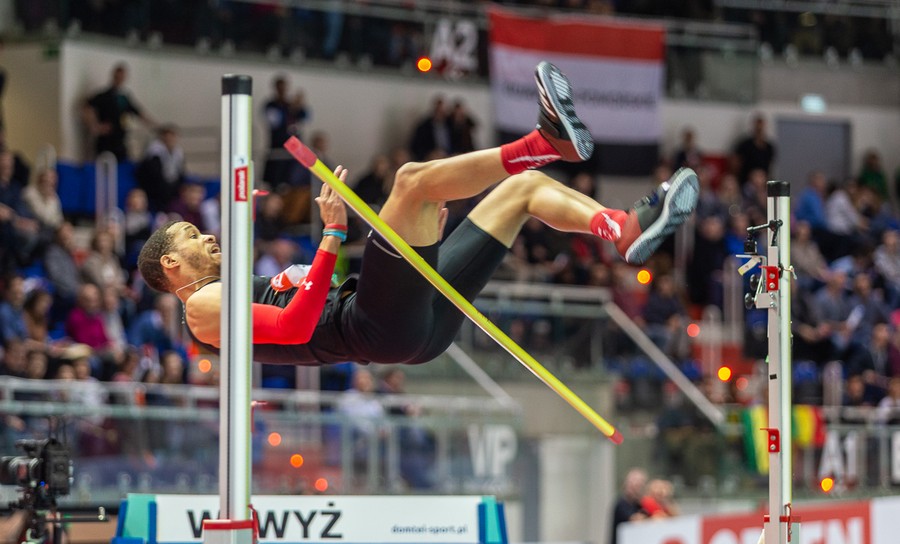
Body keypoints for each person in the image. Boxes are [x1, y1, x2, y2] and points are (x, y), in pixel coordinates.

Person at [137, 62, 699, 368]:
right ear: (172, 265)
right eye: (191, 235)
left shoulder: (231, 290)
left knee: (519, 193)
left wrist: (410, 233)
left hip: (406, 329)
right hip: (371, 326)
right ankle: (545, 141)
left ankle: (618, 229)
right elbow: (298, 324)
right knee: (410, 182)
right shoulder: (201, 305)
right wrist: (333, 233)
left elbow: (298, 311)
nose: (207, 234)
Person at [83, 63, 155, 161]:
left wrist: (155, 126)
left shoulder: (124, 97)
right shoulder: (104, 96)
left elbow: (138, 112)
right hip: (106, 140)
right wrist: (95, 126)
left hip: (120, 139)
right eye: (118, 76)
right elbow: (87, 107)